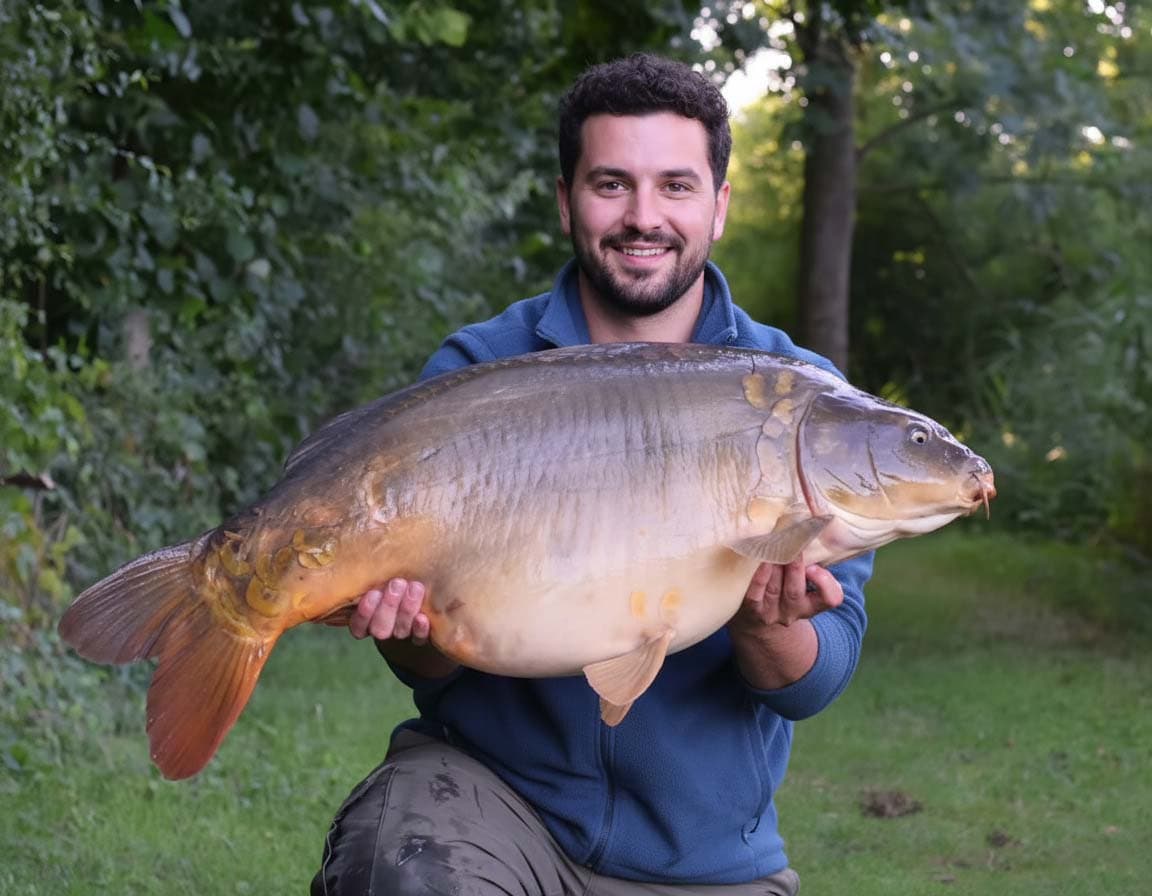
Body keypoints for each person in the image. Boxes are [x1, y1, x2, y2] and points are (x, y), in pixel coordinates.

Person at [311, 53, 871, 896]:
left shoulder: (801, 402)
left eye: (676, 187)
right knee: (400, 871)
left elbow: (817, 677)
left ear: (719, 205)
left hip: (704, 857)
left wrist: (764, 626)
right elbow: (433, 665)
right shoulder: (481, 368)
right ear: (567, 197)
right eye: (611, 183)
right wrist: (415, 639)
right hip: (494, 805)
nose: (643, 217)